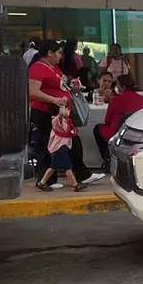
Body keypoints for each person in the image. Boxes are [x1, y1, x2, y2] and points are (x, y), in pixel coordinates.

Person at [28, 39, 102, 188]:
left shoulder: (53, 68)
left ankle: (52, 179)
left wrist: (72, 90)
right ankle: (59, 178)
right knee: (55, 144)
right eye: (59, 53)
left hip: (58, 113)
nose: (61, 56)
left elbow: (61, 85)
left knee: (64, 143)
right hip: (45, 111)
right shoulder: (37, 68)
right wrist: (54, 99)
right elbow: (33, 92)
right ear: (50, 53)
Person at [94, 74, 143, 171]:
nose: (116, 87)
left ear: (123, 87)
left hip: (117, 132)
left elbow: (107, 120)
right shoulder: (142, 100)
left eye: (117, 85)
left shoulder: (116, 99)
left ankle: (108, 158)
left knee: (98, 129)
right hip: (137, 133)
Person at [36, 105, 88, 192]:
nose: (68, 110)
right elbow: (60, 116)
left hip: (62, 147)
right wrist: (61, 109)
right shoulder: (56, 120)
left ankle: (42, 183)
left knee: (53, 167)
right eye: (65, 108)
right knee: (68, 167)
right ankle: (75, 184)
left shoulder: (65, 121)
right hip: (59, 148)